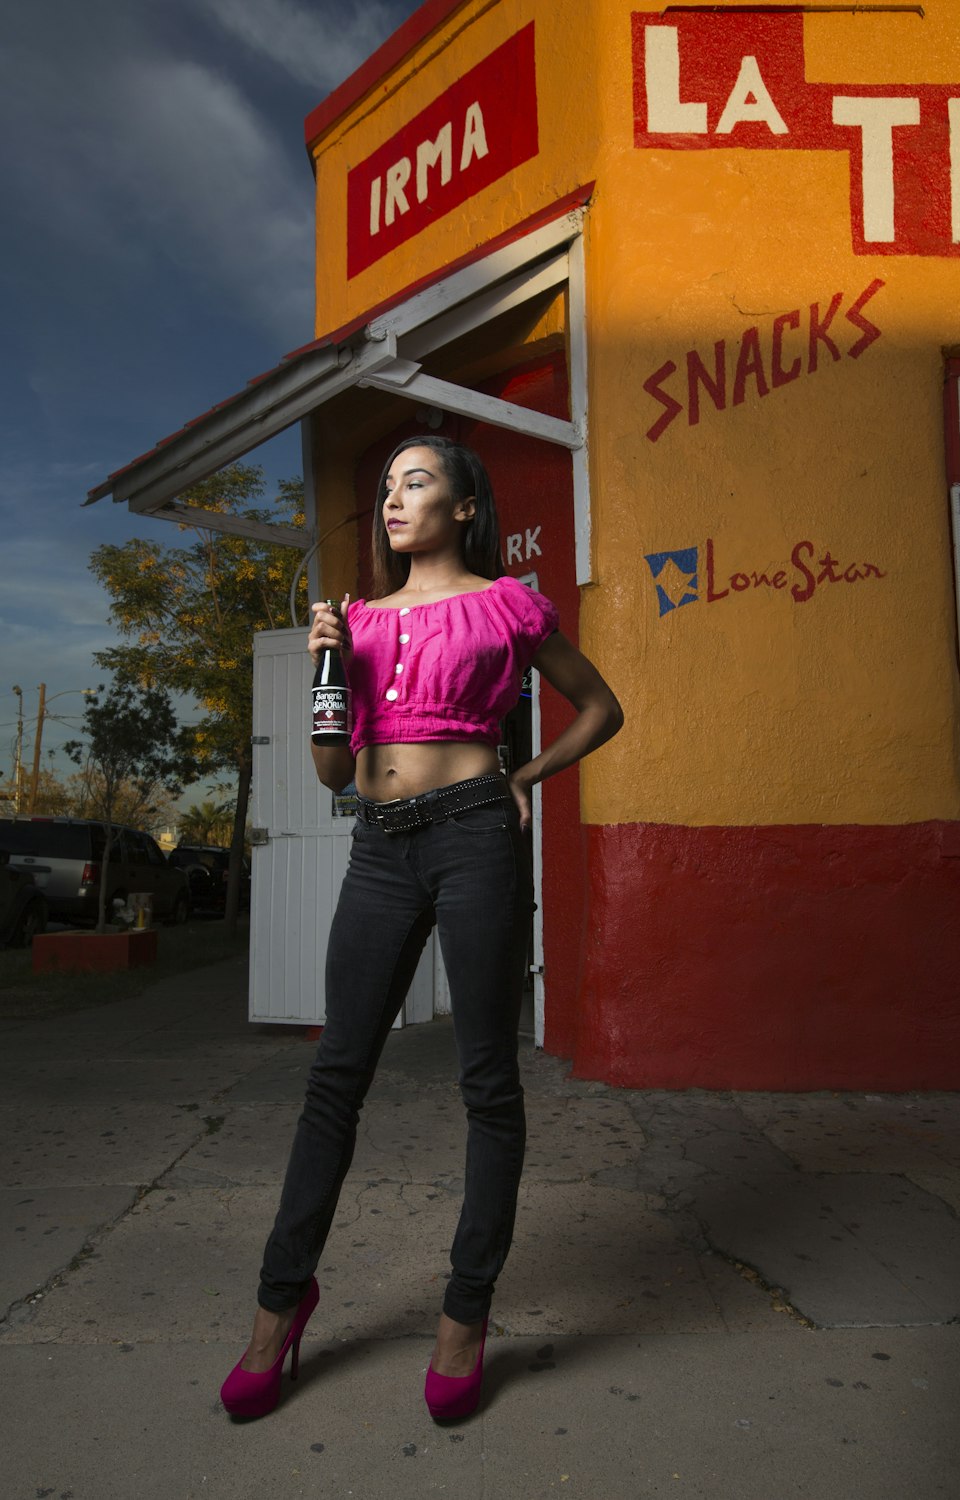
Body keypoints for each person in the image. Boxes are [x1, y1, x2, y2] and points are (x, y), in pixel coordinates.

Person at [220, 435, 623, 1422]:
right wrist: (323, 662)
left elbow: (600, 707)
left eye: (416, 483)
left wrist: (523, 776)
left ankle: (464, 1313)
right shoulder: (353, 622)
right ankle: (281, 1306)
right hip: (379, 848)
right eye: (387, 483)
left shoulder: (507, 605)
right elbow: (325, 772)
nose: (392, 500)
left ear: (462, 507)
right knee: (335, 1077)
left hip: (476, 837)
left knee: (486, 1082)